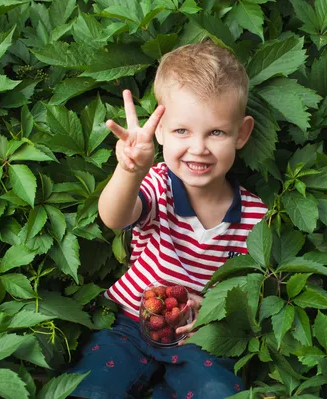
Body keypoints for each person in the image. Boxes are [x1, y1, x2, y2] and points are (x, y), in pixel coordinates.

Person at [69, 40, 268, 399]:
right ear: (159, 130)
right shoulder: (158, 184)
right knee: (92, 388)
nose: (198, 148)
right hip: (130, 324)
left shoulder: (255, 217)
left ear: (242, 133)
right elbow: (114, 217)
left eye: (216, 132)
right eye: (182, 131)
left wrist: (212, 312)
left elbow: (251, 290)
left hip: (200, 335)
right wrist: (130, 170)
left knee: (218, 392)